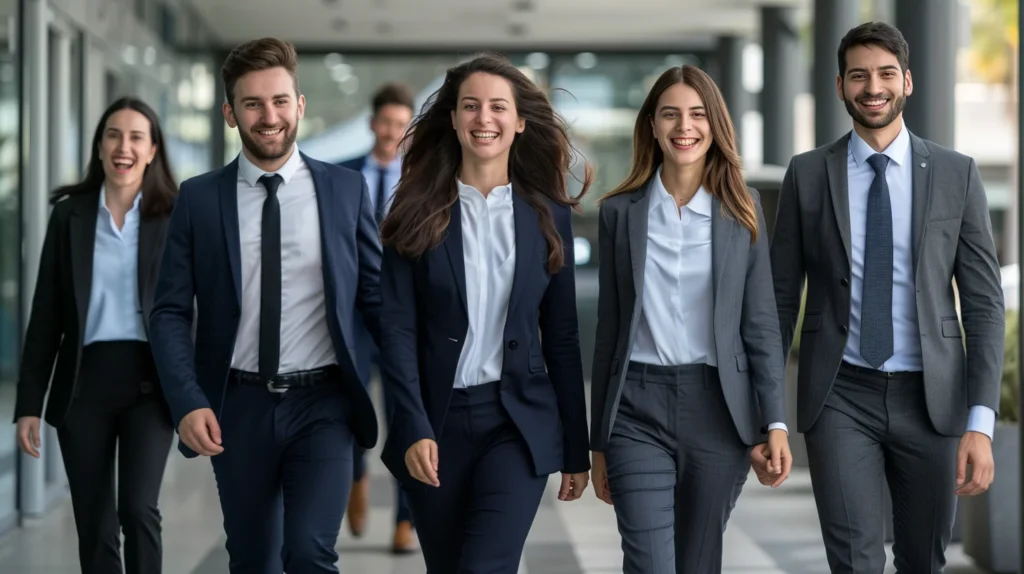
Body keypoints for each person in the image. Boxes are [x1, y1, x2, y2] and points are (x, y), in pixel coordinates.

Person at [769, 22, 1002, 572]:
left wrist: (981, 423)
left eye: (885, 74)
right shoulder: (807, 174)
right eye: (859, 76)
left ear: (908, 82)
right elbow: (780, 298)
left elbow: (985, 304)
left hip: (932, 400)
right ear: (840, 86)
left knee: (923, 559)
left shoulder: (956, 173)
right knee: (853, 560)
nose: (873, 87)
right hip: (839, 394)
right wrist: (769, 414)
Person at [149, 37, 382, 574]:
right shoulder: (199, 198)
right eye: (252, 103)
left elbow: (374, 299)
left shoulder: (344, 191)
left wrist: (418, 390)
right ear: (231, 113)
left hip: (324, 404)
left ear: (299, 104)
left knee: (310, 551)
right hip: (238, 408)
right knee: (253, 561)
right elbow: (168, 312)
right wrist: (187, 400)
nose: (268, 115)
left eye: (280, 100)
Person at [377, 52, 592, 573]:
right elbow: (396, 330)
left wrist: (576, 449)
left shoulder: (548, 213)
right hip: (437, 423)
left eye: (498, 107)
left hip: (514, 423)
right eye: (470, 106)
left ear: (519, 121)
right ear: (452, 118)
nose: (483, 118)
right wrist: (412, 427)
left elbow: (561, 336)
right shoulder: (414, 209)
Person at [588, 64, 792, 574]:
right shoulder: (619, 213)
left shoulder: (741, 212)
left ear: (715, 124)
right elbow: (608, 332)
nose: (685, 126)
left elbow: (761, 324)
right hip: (636, 408)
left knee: (698, 563)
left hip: (718, 410)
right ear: (652, 125)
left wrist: (776, 422)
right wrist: (597, 442)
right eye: (671, 114)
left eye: (698, 114)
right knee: (650, 561)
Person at [14, 97, 179, 574]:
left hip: (151, 386)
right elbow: (46, 314)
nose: (122, 146)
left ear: (152, 151)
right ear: (100, 145)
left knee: (137, 507)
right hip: (83, 385)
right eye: (113, 134)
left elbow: (196, 311)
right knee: (96, 522)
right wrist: (29, 402)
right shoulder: (71, 216)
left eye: (135, 137)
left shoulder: (174, 216)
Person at [338, 82, 416, 552]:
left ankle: (406, 520)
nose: (391, 131)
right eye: (385, 121)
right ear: (372, 124)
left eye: (400, 124)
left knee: (405, 414)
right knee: (350, 406)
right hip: (349, 313)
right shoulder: (343, 177)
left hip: (401, 314)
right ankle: (355, 477)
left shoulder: (422, 179)